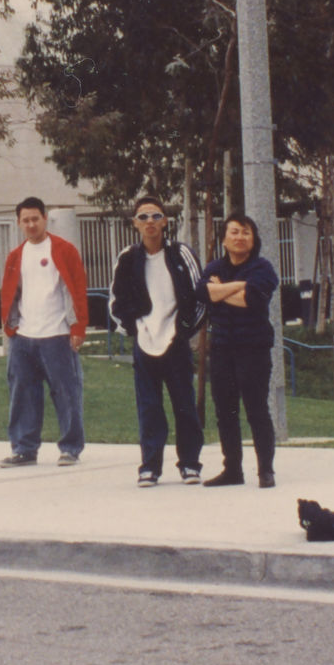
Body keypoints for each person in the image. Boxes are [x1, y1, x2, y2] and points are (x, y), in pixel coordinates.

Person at [108, 195, 206, 486]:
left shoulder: (180, 254)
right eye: (143, 217)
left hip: (175, 342)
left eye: (155, 216)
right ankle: (149, 467)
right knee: (149, 407)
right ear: (134, 223)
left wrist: (184, 331)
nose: (149, 222)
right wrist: (135, 330)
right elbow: (116, 301)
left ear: (165, 221)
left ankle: (190, 464)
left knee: (184, 405)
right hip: (145, 343)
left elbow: (200, 297)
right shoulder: (127, 258)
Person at [0, 197, 87, 467]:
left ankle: (70, 447)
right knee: (22, 393)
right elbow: (9, 294)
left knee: (66, 392)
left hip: (57, 334)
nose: (31, 224)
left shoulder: (64, 250)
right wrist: (10, 327)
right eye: (25, 220)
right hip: (24, 336)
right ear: (18, 223)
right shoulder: (16, 255)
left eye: (35, 218)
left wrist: (78, 326)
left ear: (45, 218)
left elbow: (78, 290)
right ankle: (24, 449)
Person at [196, 214, 279, 488]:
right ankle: (232, 469)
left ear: (253, 239)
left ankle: (265, 470)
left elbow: (252, 300)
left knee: (257, 409)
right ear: (224, 238)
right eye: (234, 232)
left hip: (253, 349)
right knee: (225, 412)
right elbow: (203, 293)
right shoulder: (214, 266)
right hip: (221, 350)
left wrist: (220, 290)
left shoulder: (263, 268)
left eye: (246, 232)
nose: (240, 237)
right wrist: (235, 287)